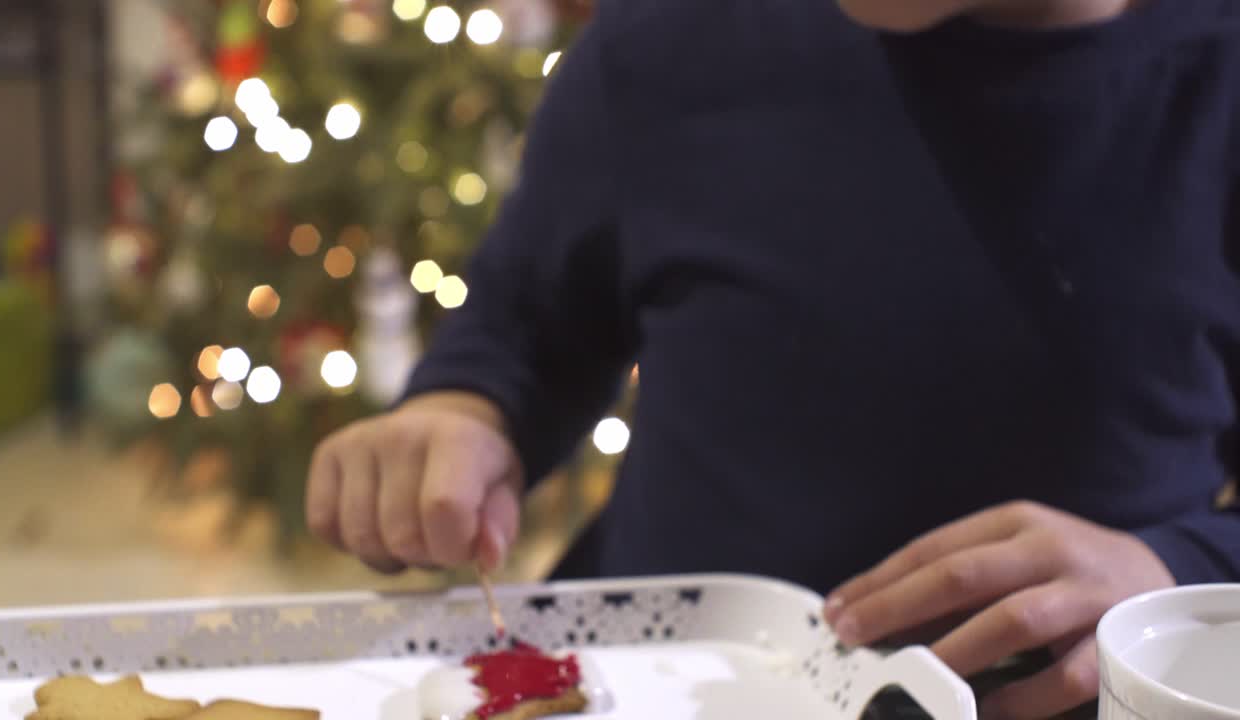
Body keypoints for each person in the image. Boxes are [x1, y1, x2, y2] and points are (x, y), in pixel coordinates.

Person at [306, 0, 1240, 716]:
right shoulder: (674, 38)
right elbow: (530, 322)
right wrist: (466, 411)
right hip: (655, 680)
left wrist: (1173, 571)